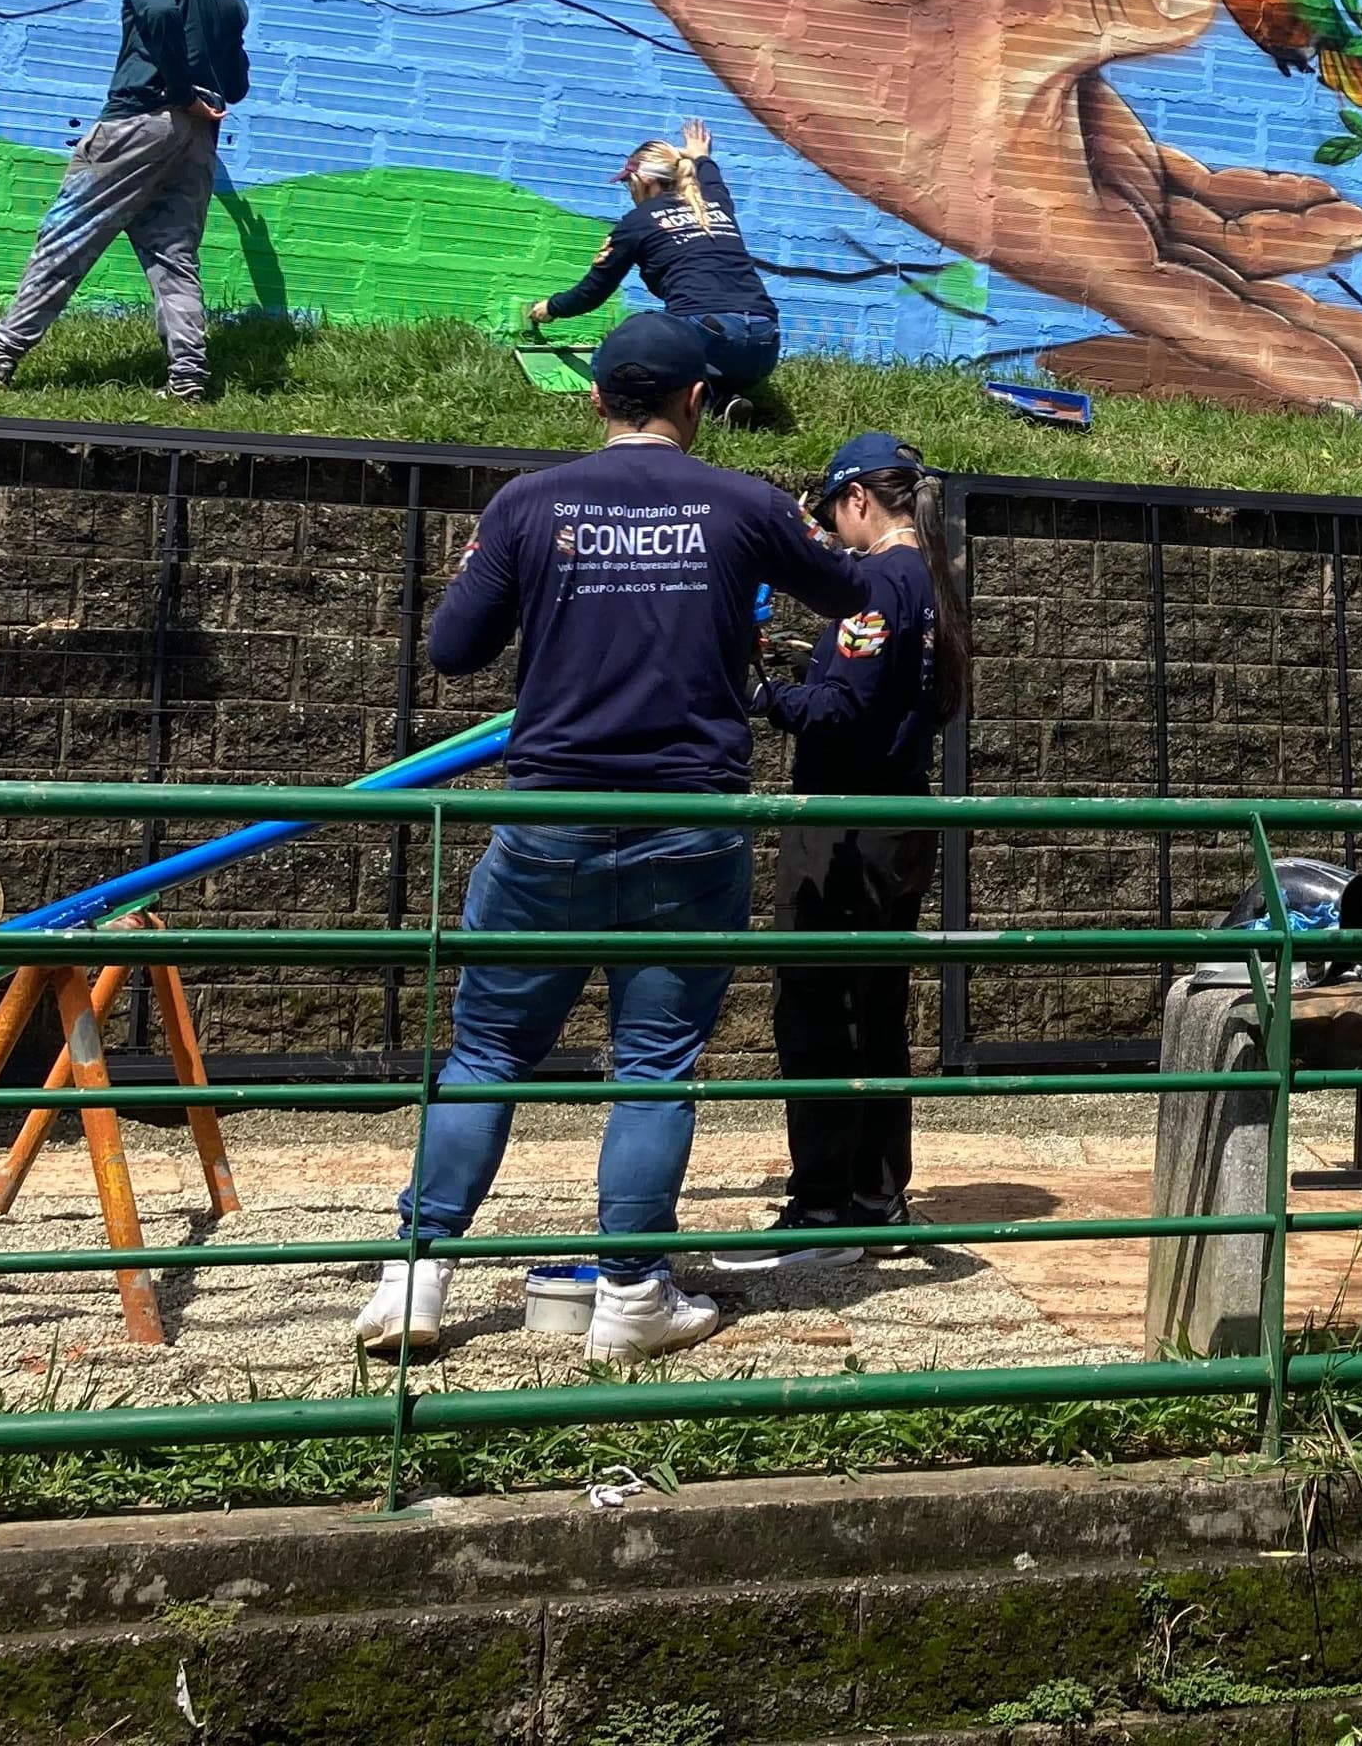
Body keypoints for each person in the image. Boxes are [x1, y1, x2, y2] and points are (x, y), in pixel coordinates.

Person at [356, 313, 872, 1361]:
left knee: (487, 1054)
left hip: (548, 819)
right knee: (653, 1064)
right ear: (696, 403)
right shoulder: (744, 503)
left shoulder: (528, 503)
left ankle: (416, 1278)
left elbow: (454, 650)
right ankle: (632, 1296)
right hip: (692, 826)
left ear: (595, 398)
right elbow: (857, 590)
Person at [743, 431, 965, 1245]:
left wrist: (775, 698)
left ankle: (824, 1194)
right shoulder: (935, 581)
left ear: (858, 501)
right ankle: (878, 1191)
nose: (833, 534)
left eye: (834, 515)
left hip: (843, 820)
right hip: (903, 812)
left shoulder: (870, 583)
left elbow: (841, 710)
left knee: (813, 1006)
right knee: (879, 1007)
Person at [0, 0, 249, 403]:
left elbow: (157, 15)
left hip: (138, 120)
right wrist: (199, 98)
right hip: (197, 136)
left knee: (66, 237)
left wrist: (176, 89)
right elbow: (238, 84)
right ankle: (188, 380)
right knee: (174, 254)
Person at [526, 119, 785, 408]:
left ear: (643, 180)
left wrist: (550, 308)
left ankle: (612, 391)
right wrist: (700, 154)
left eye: (628, 182)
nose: (629, 190)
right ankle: (719, 401)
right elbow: (710, 176)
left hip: (707, 332)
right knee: (697, 359)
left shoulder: (636, 223)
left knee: (629, 338)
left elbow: (593, 292)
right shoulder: (716, 201)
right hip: (765, 341)